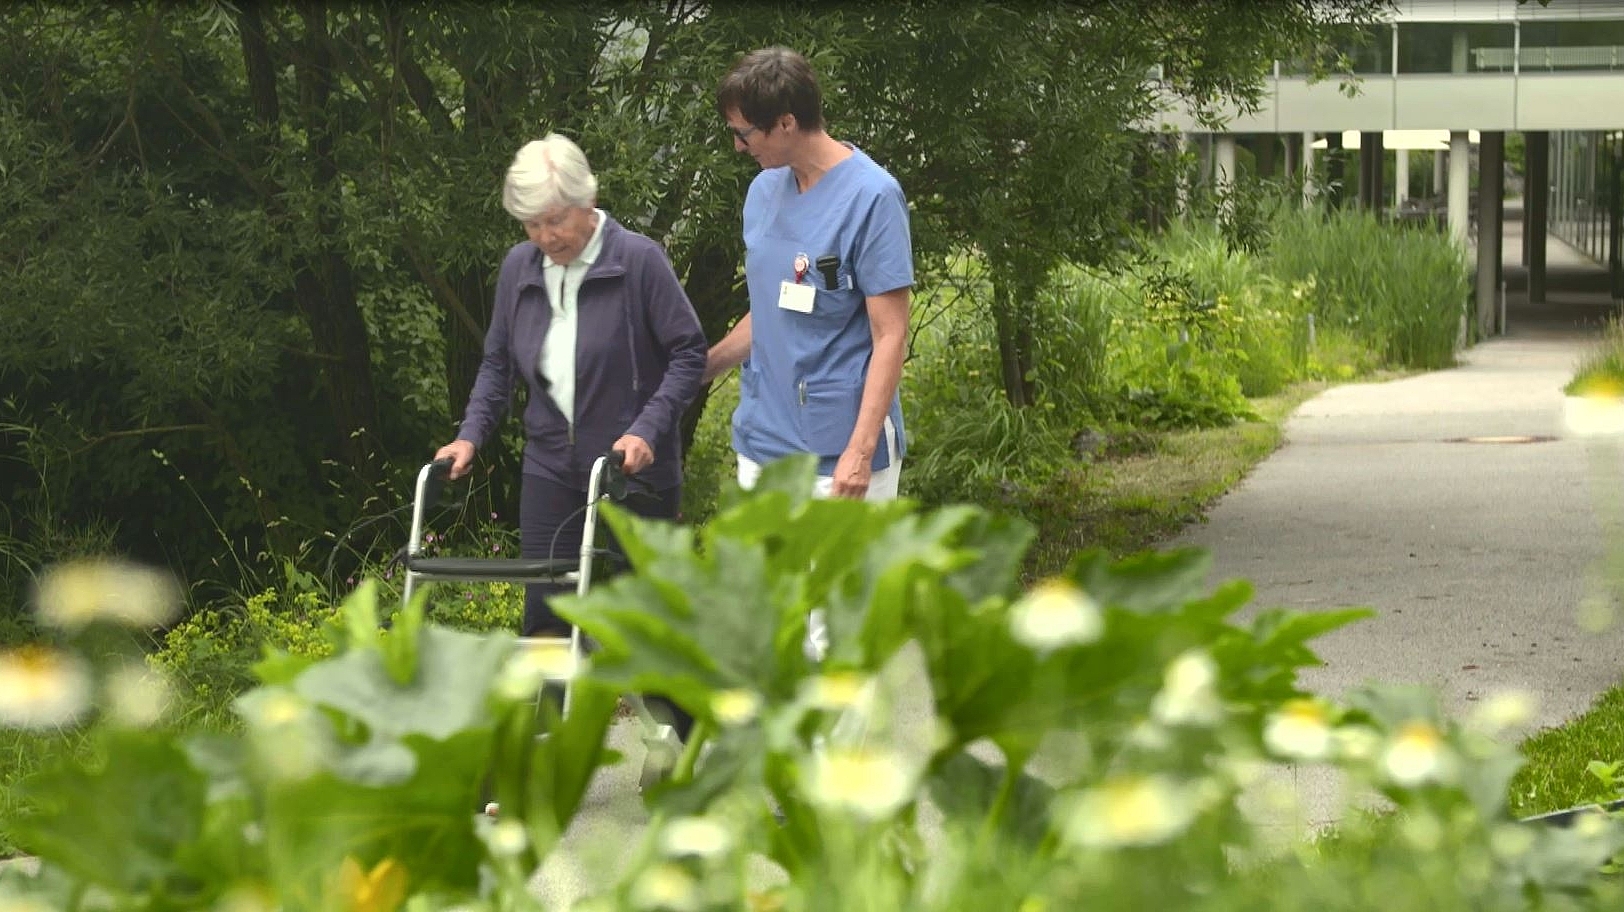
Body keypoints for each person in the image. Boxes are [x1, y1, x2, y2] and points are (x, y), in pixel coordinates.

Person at [436, 133, 707, 655]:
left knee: (651, 624)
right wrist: (468, 437)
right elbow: (498, 364)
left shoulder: (639, 261)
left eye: (556, 220)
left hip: (633, 468)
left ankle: (671, 708)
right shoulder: (519, 268)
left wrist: (647, 430)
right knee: (548, 619)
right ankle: (555, 709)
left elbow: (688, 353)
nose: (546, 236)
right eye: (531, 224)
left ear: (589, 201)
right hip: (551, 465)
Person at [705, 47, 913, 502]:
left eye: (744, 133)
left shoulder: (873, 198)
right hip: (761, 448)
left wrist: (860, 451)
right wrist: (702, 367)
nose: (738, 146)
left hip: (838, 459)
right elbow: (771, 313)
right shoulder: (763, 192)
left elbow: (891, 335)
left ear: (785, 122)